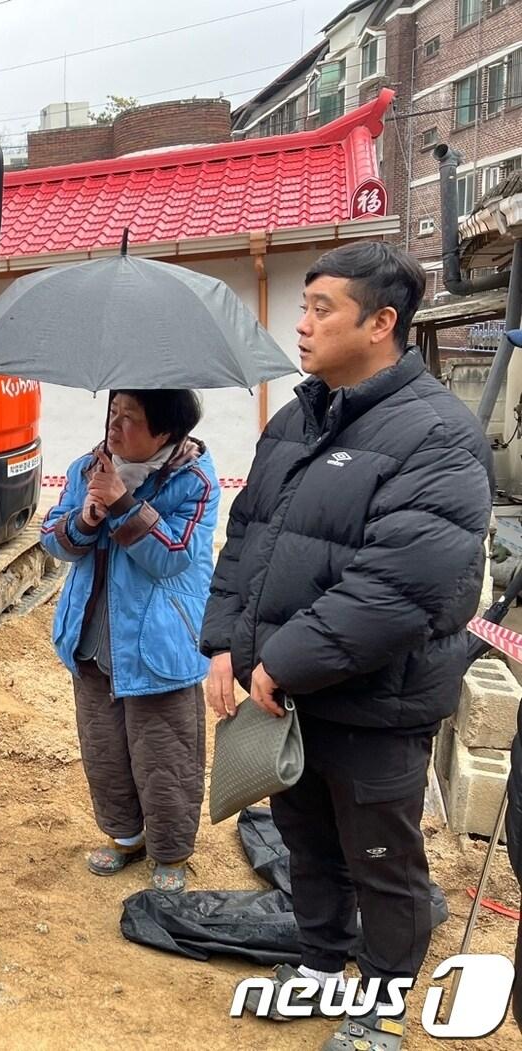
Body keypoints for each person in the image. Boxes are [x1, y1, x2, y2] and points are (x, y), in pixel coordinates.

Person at [200, 242, 491, 1051]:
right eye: (304, 307)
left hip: (373, 704)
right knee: (305, 841)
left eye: (321, 309)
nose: (302, 325)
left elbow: (398, 589)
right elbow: (247, 539)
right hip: (281, 695)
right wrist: (224, 643)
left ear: (382, 322)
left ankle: (384, 1002)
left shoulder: (438, 435)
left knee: (382, 860)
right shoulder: (297, 418)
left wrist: (282, 661)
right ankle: (323, 962)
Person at [41, 389, 217, 893]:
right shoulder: (87, 468)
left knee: (164, 753)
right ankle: (124, 836)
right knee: (104, 748)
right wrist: (86, 518)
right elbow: (53, 538)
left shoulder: (194, 481)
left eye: (131, 420)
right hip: (93, 636)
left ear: (165, 432)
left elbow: (173, 556)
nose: (114, 429)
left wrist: (121, 503)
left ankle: (170, 850)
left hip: (159, 642)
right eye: (112, 414)